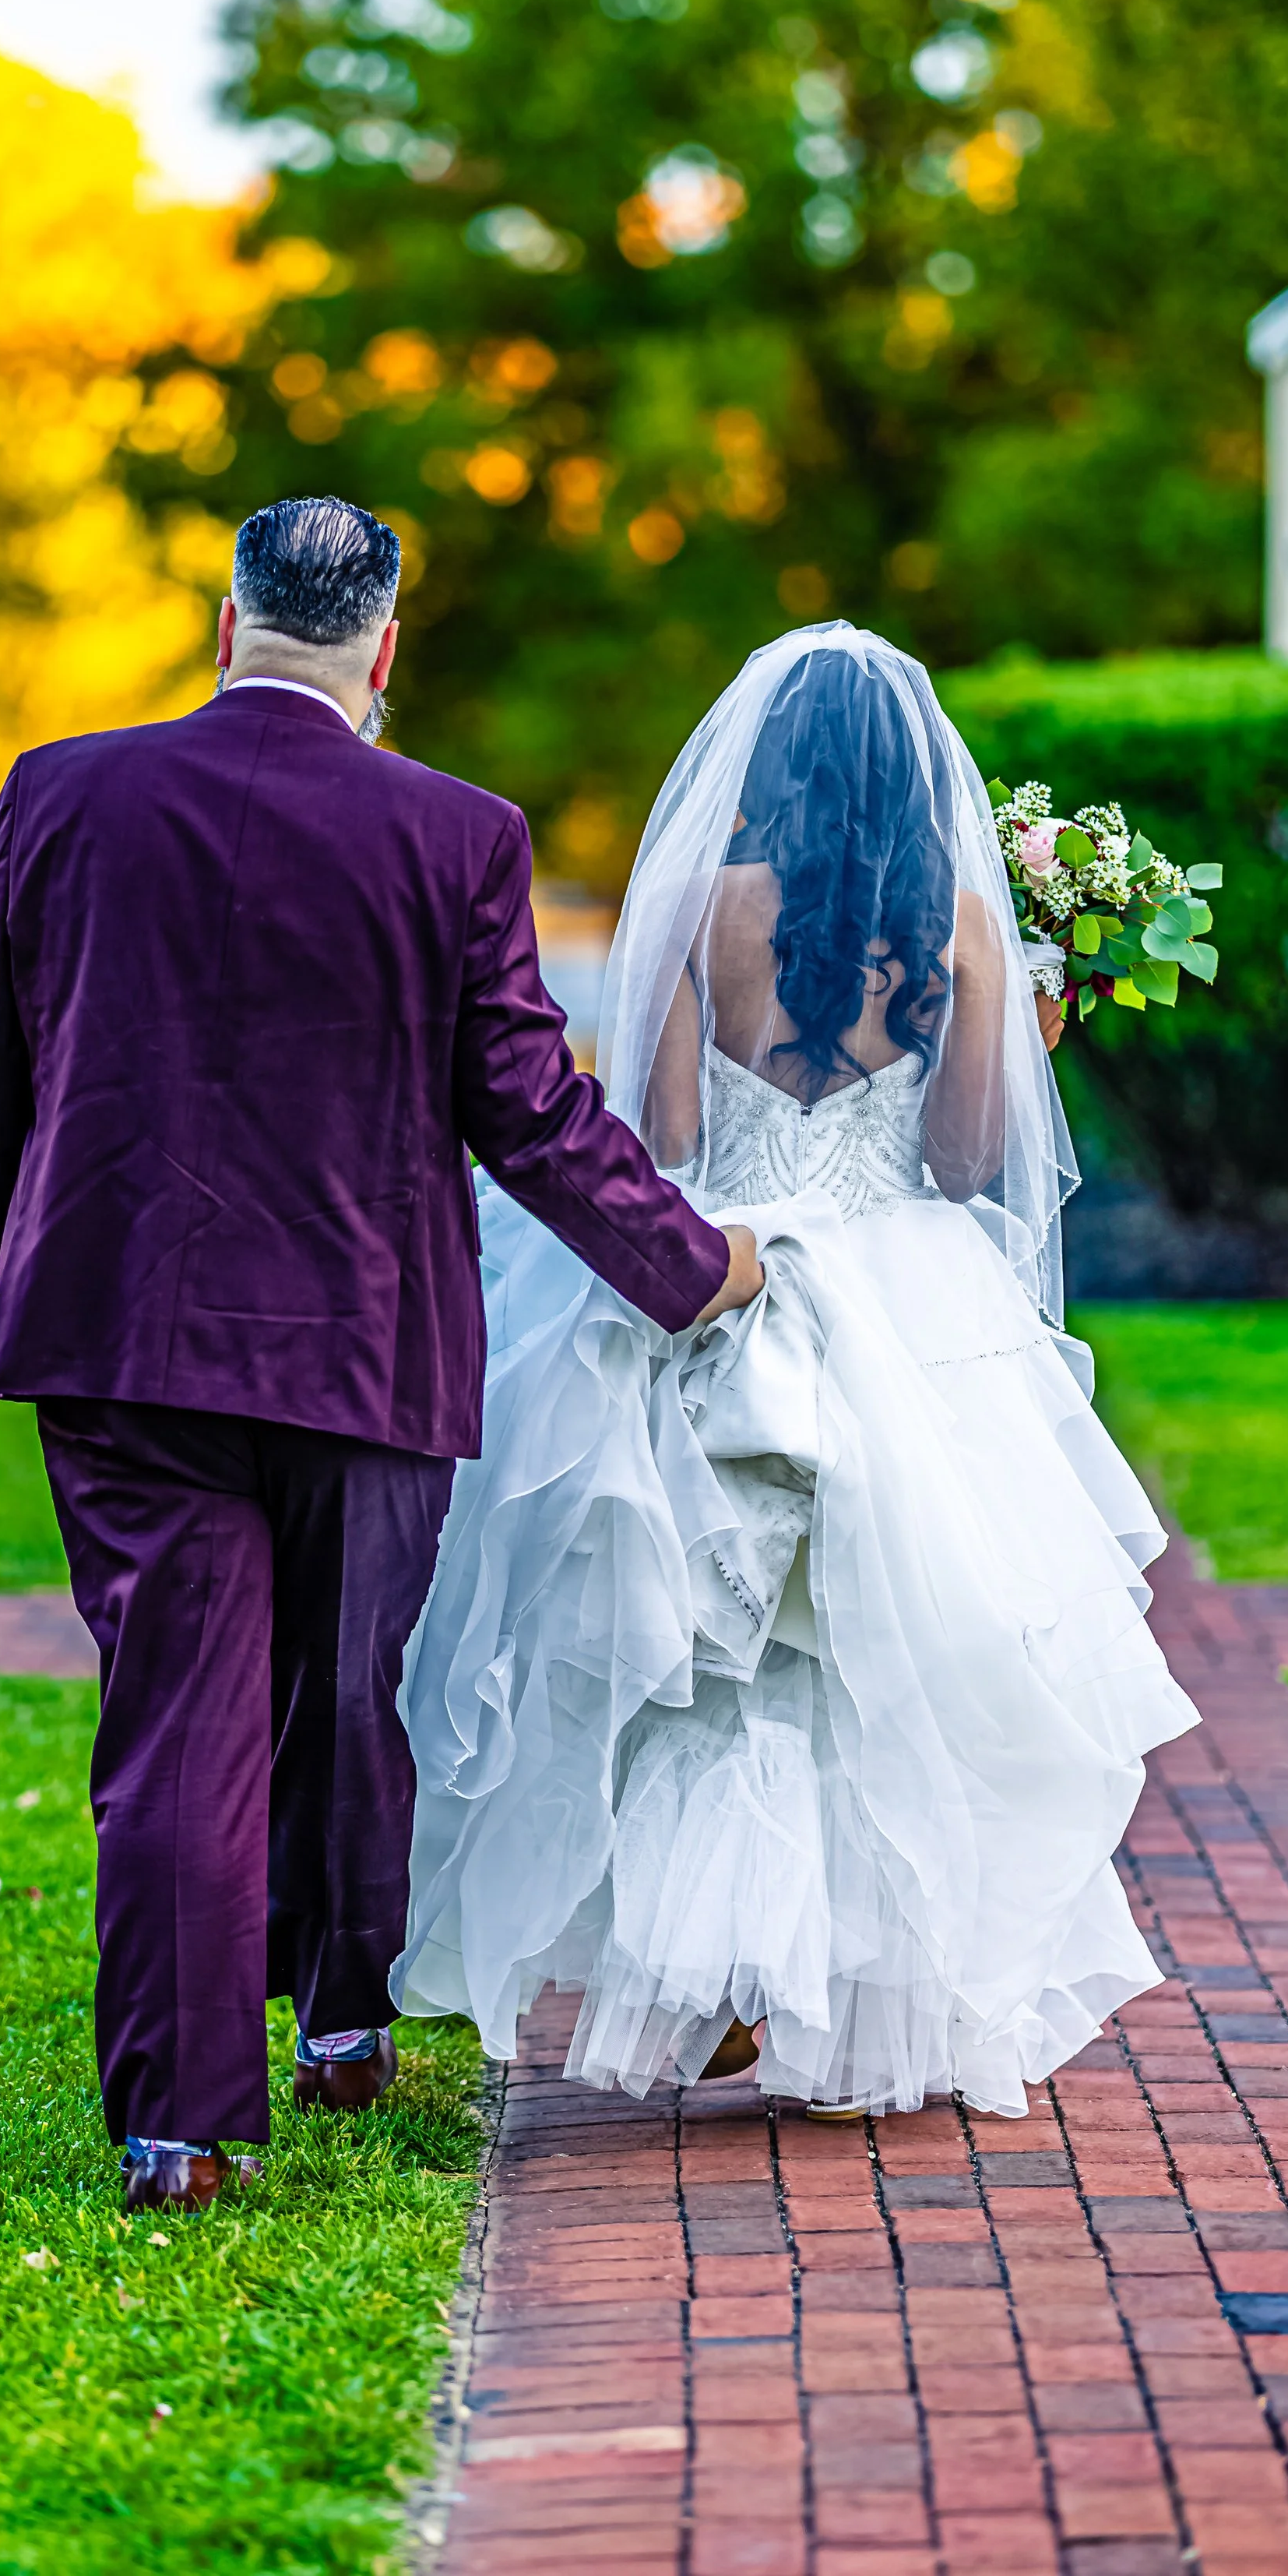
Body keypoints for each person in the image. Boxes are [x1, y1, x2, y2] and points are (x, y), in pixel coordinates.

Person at [0, 496, 762, 2214]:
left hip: (125, 1344)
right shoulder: (456, 834)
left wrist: (50, 1255)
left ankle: (180, 2126)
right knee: (346, 1688)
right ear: (382, 649)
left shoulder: (60, 792)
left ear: (220, 620)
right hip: (363, 1346)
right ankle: (337, 2023)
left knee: (178, 1716)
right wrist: (694, 1269)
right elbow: (527, 1109)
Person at [397, 625, 1199, 2119]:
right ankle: (864, 2020)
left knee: (721, 1658)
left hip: (737, 1281)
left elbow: (664, 1144)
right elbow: (965, 1163)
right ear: (917, 780)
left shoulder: (709, 908)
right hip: (908, 1301)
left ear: (760, 772)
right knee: (889, 1655)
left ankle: (718, 1979)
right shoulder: (961, 920)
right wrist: (1022, 1035)